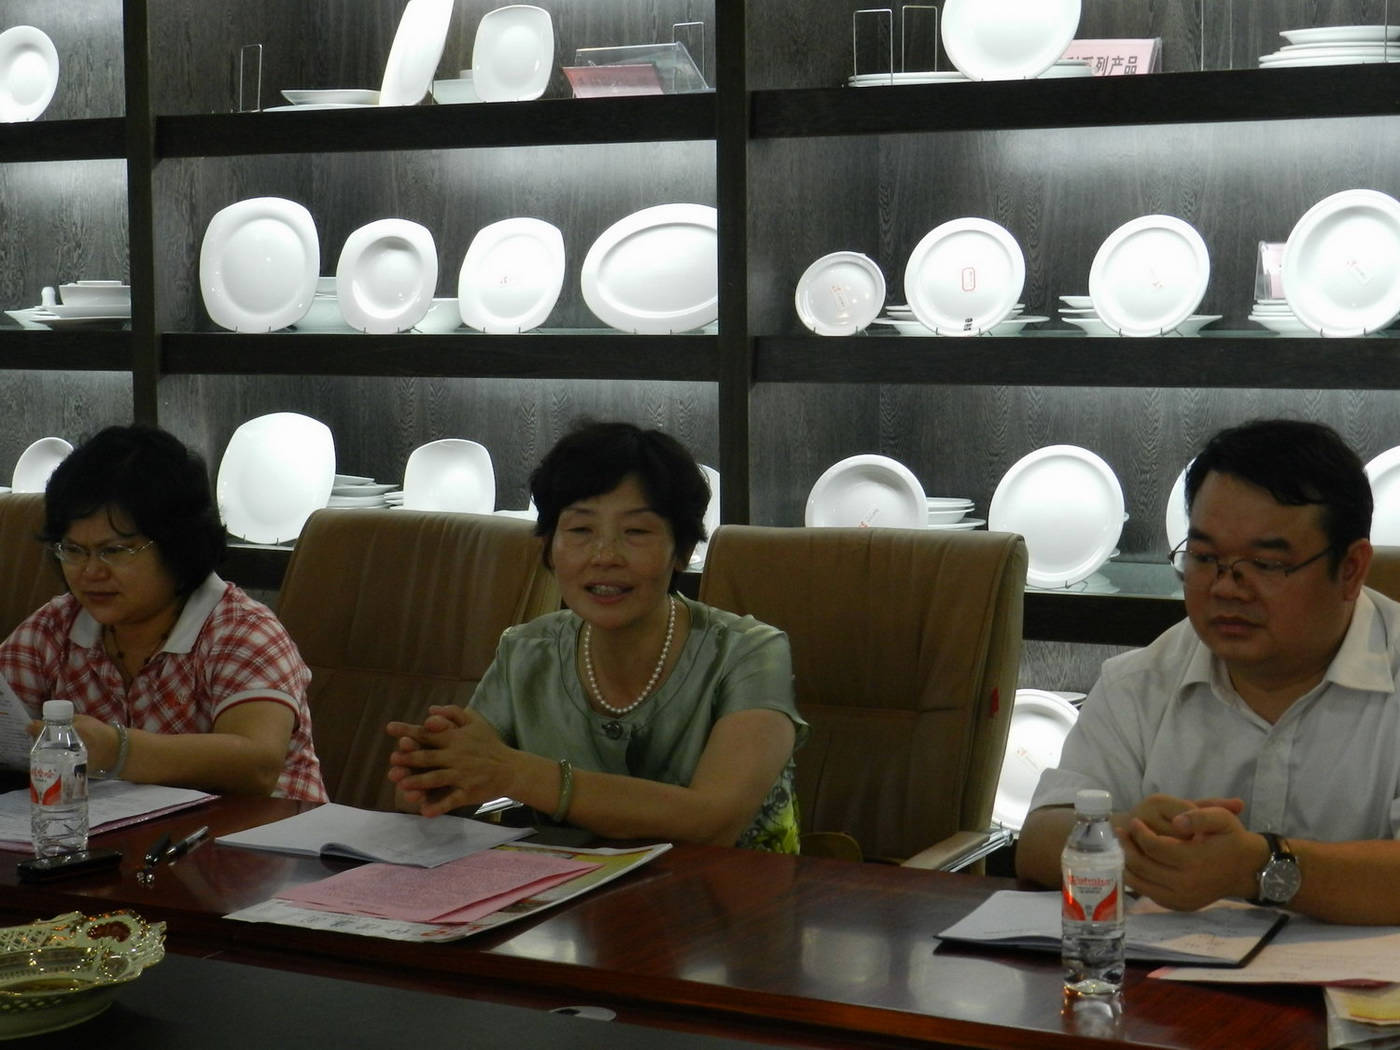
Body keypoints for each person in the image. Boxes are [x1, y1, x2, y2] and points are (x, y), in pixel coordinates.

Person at [1017, 418, 1400, 924]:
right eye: (1204, 557)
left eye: (1265, 564)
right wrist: (1132, 839)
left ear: (1350, 569)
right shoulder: (1141, 680)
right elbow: (1038, 840)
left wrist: (1257, 867)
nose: (1226, 587)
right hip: (1174, 972)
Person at [386, 420, 806, 851]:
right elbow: (452, 781)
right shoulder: (526, 650)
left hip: (737, 889)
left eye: (636, 532)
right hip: (570, 890)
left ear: (681, 550)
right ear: (549, 547)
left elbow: (713, 820)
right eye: (580, 531)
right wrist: (432, 770)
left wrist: (513, 772)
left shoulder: (750, 652)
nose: (605, 556)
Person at [0, 424, 326, 801]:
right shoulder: (57, 626)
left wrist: (117, 751)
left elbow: (257, 765)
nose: (90, 572)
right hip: (120, 835)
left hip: (266, 834)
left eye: (113, 551)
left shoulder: (240, 630)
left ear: (178, 546)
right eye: (73, 550)